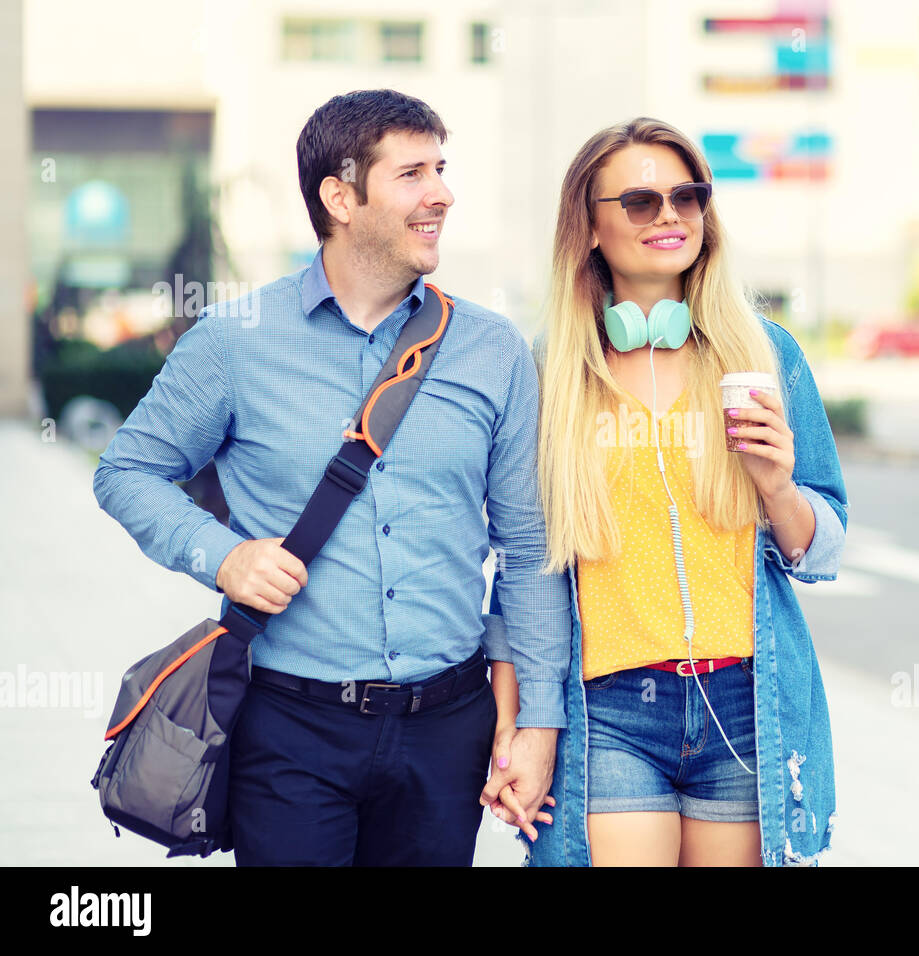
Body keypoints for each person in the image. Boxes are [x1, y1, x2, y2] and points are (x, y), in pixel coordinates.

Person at [93, 89, 569, 865]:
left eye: (441, 169)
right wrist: (224, 556)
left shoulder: (493, 350)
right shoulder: (234, 343)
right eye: (412, 173)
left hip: (448, 727)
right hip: (290, 727)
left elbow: (528, 546)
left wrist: (537, 723)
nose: (441, 193)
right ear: (340, 197)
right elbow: (126, 470)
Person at [478, 117, 849, 866]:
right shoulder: (546, 373)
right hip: (610, 706)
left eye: (688, 196)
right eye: (641, 202)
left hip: (746, 703)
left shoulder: (765, 354)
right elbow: (523, 563)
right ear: (588, 226)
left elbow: (824, 545)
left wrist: (778, 487)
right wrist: (510, 725)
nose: (671, 215)